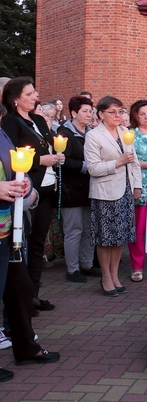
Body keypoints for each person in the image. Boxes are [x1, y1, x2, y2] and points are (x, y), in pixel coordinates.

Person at [0, 105, 60, 379]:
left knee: (20, 290)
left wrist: (28, 189)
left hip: (9, 229)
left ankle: (26, 348)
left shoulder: (2, 133)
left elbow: (15, 169)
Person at [1, 77, 63, 312]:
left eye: (35, 92)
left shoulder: (37, 119)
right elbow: (11, 155)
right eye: (29, 94)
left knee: (37, 245)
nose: (35, 96)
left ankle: (33, 294)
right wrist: (40, 160)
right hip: (28, 189)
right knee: (23, 245)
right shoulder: (10, 121)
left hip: (47, 188)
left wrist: (56, 156)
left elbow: (47, 146)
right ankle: (20, 300)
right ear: (15, 99)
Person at [84, 96, 142, 296]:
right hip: (105, 192)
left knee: (120, 237)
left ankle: (115, 275)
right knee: (105, 237)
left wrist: (137, 185)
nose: (118, 115)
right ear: (100, 114)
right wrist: (117, 162)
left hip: (125, 189)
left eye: (120, 111)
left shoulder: (125, 132)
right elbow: (92, 168)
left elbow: (133, 161)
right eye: (113, 112)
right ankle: (106, 277)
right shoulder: (93, 136)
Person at [57, 95, 100, 283]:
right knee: (74, 229)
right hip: (71, 189)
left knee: (89, 228)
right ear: (73, 113)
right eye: (85, 111)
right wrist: (87, 166)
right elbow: (64, 160)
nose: (89, 115)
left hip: (90, 189)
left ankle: (87, 264)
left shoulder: (92, 132)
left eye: (91, 111)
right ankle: (72, 269)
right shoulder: (64, 133)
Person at [128, 100, 147, 282]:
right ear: (135, 116)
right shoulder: (130, 136)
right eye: (142, 114)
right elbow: (129, 160)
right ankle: (137, 266)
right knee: (138, 229)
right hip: (140, 187)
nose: (146, 117)